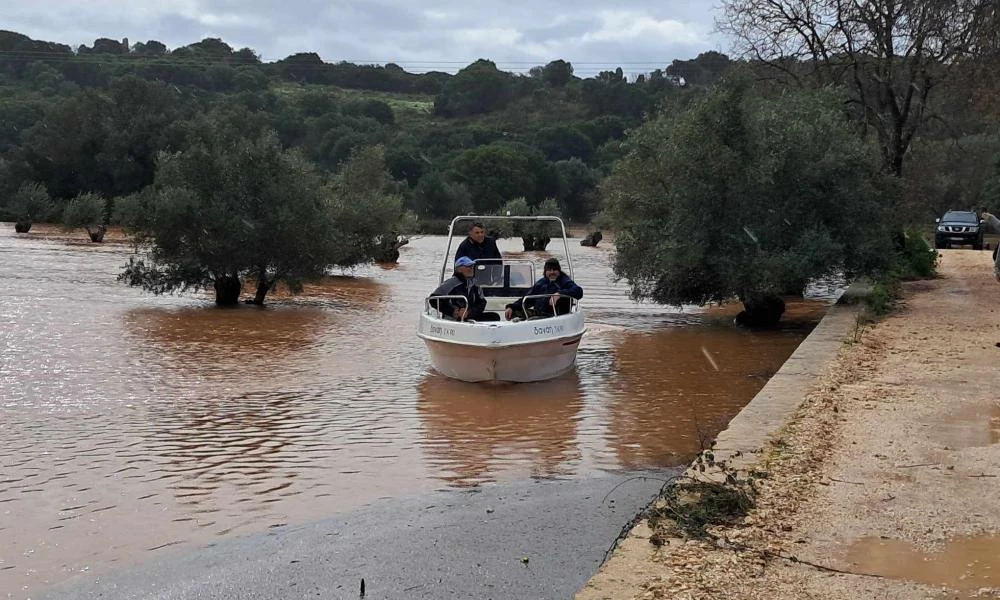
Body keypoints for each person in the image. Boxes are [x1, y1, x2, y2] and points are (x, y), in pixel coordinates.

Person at [505, 258, 583, 320]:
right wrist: (512, 307)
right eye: (549, 270)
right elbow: (528, 299)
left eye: (555, 269)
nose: (552, 272)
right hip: (539, 313)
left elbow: (579, 291)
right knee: (514, 313)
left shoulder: (565, 282)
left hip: (555, 316)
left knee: (533, 318)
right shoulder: (540, 283)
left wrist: (560, 294)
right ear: (545, 271)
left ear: (559, 271)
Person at [429, 256, 502, 321]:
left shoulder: (475, 284)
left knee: (494, 316)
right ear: (459, 269)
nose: (471, 268)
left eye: (472, 266)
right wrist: (453, 311)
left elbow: (482, 303)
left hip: (469, 317)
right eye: (468, 266)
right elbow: (433, 299)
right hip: (454, 319)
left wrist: (469, 312)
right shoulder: (450, 283)